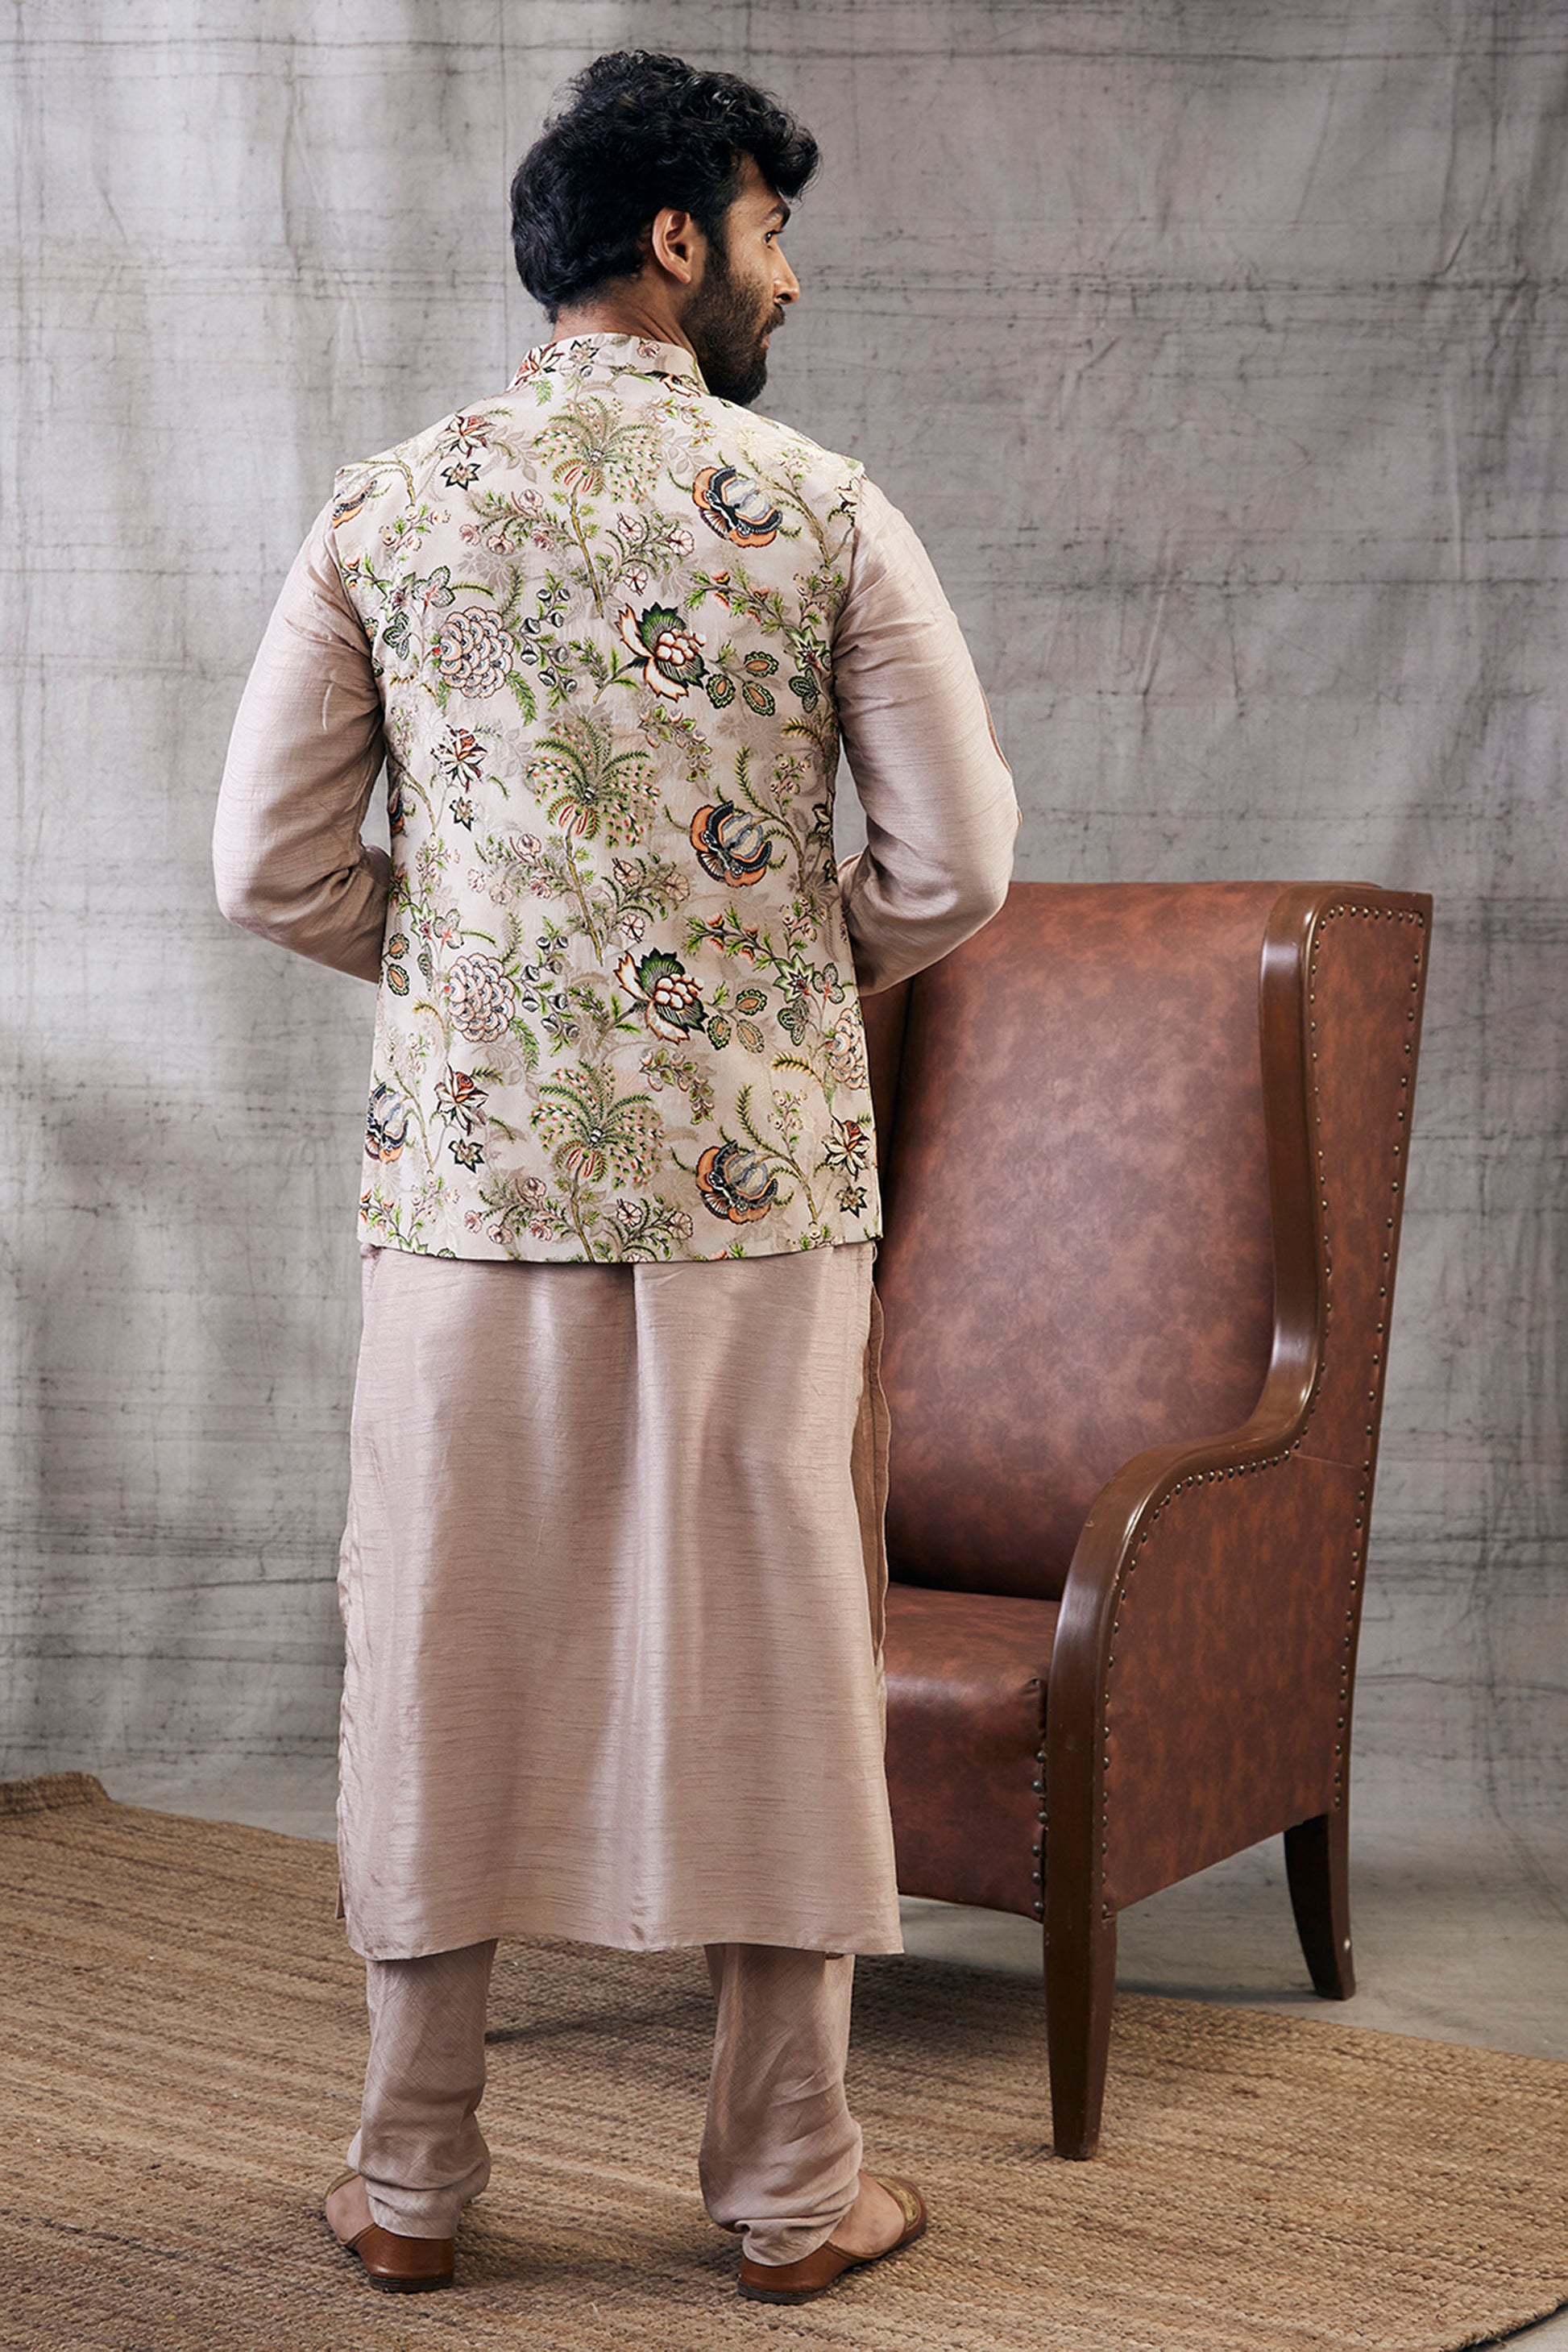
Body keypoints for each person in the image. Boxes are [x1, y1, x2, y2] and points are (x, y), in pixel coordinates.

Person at [214, 48, 1018, 2307]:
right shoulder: (819, 511)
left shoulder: (388, 510)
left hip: (470, 1185)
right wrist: (769, 981)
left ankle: (408, 2178)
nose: (790, 275)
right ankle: (791, 2188)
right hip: (757, 1189)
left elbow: (266, 866)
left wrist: (476, 983)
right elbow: (958, 862)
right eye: (770, 231)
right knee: (772, 1651)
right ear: (677, 241)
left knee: (445, 1642)